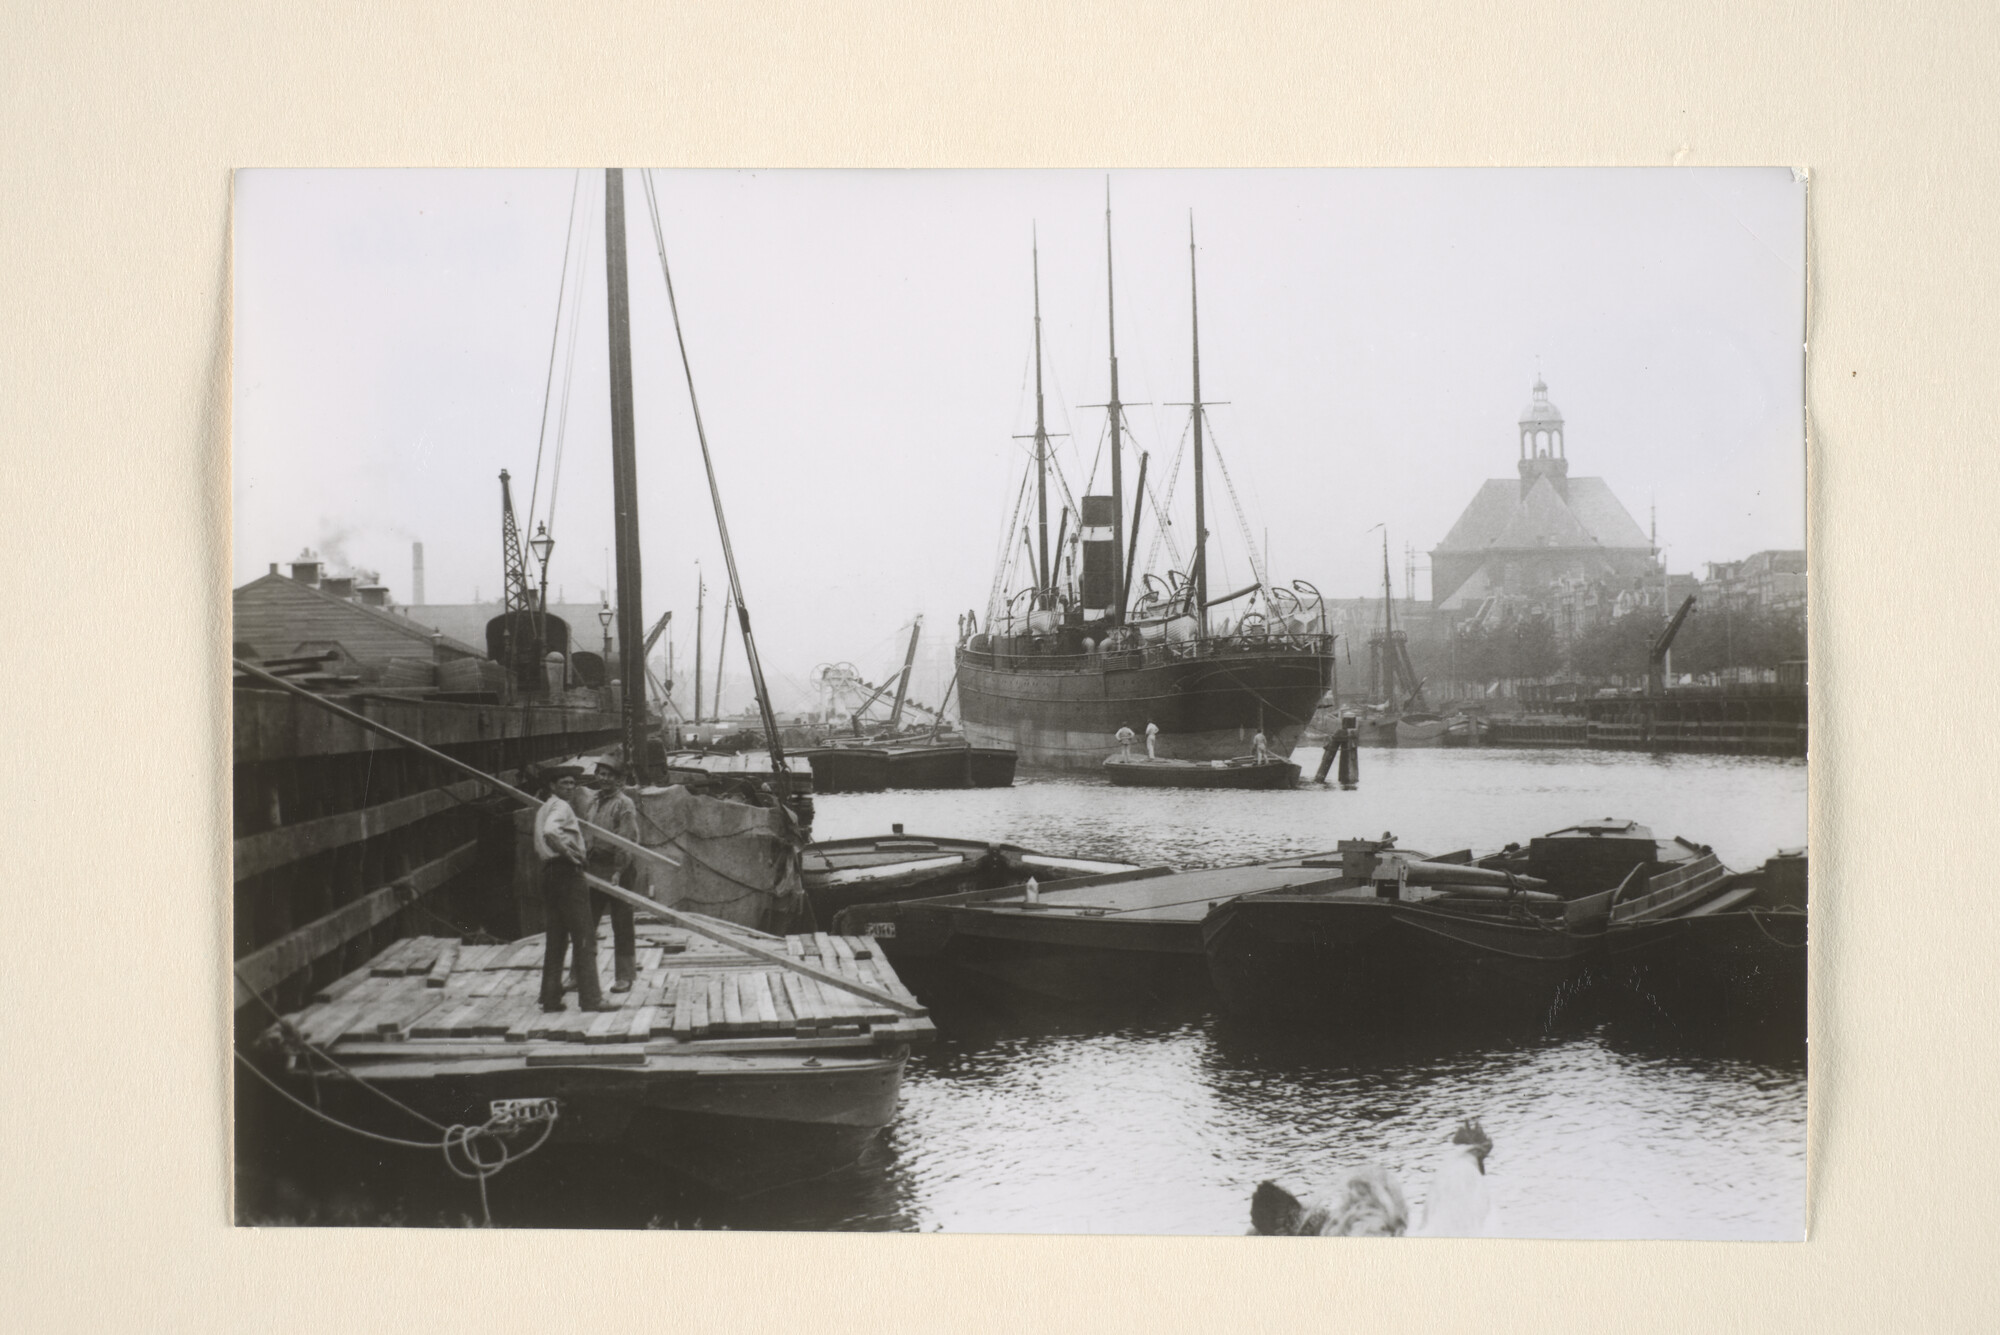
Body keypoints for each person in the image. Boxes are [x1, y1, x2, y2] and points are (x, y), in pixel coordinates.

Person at [533, 768, 608, 1012]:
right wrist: (572, 856)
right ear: (552, 786)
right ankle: (591, 999)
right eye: (564, 783)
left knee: (556, 940)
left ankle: (550, 998)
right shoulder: (561, 807)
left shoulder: (543, 808)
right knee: (585, 937)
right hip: (566, 875)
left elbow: (545, 833)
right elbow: (550, 832)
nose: (570, 787)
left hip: (549, 875)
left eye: (573, 783)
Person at [583, 765, 641, 992]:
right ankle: (579, 974)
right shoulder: (594, 801)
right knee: (586, 924)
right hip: (594, 866)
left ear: (618, 780)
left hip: (618, 868)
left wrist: (618, 871)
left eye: (608, 775)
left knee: (622, 924)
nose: (603, 779)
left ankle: (624, 977)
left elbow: (627, 841)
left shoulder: (624, 804)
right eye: (600, 774)